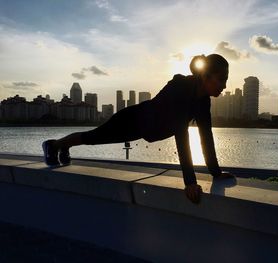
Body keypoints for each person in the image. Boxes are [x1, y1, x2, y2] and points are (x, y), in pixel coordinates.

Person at [42, 53, 236, 204]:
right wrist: (190, 182)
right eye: (221, 79)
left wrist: (215, 172)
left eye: (226, 80)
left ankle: (62, 146)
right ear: (206, 75)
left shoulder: (203, 102)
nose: (224, 85)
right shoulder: (181, 86)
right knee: (93, 137)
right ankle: (54, 145)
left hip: (145, 130)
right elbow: (181, 132)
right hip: (132, 120)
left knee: (93, 137)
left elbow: (206, 136)